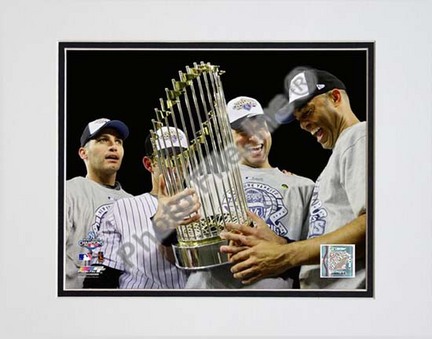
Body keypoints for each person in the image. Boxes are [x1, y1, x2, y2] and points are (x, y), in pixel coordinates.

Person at [220, 67, 367, 289]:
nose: (303, 125)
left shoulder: (358, 137)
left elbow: (374, 228)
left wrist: (286, 255)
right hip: (336, 297)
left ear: (335, 98)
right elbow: (355, 255)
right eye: (298, 119)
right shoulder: (338, 157)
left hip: (350, 300)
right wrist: (284, 245)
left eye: (306, 112)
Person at [184, 96, 315, 289]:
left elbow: (323, 260)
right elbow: (180, 255)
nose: (254, 137)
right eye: (243, 131)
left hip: (269, 308)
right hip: (207, 301)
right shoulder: (202, 184)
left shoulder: (303, 186)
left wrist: (281, 249)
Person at [83, 126, 201, 289]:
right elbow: (101, 276)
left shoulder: (203, 203)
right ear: (149, 164)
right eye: (166, 156)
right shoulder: (123, 208)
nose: (174, 163)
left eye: (180, 156)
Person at [65, 118, 132, 289]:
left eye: (118, 141)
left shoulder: (133, 202)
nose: (113, 146)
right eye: (103, 140)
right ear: (83, 153)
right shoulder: (69, 191)